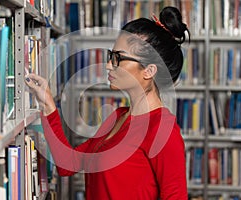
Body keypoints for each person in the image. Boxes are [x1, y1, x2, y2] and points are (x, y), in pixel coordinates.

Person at [25, 6, 190, 200]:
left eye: (118, 58)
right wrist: (47, 105)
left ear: (149, 71)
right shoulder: (118, 117)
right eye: (110, 56)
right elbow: (67, 164)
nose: (108, 65)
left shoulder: (163, 130)